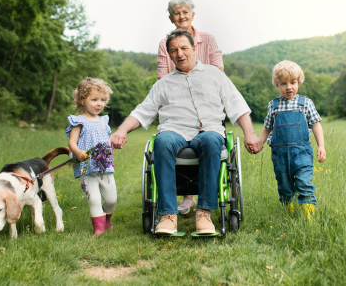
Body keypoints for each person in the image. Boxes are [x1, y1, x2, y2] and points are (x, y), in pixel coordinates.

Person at [111, 29, 263, 235]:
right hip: (174, 131)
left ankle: (204, 213)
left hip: (209, 130)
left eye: (184, 48)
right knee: (162, 141)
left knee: (210, 140)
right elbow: (142, 111)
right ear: (170, 55)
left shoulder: (215, 75)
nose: (180, 53)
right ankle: (168, 216)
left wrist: (250, 134)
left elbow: (237, 105)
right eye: (174, 50)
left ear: (194, 49)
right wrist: (121, 131)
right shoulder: (163, 84)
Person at [157, 0, 225, 214]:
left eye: (185, 12)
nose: (182, 16)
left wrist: (199, 81)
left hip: (206, 100)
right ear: (171, 18)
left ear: (192, 15)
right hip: (177, 102)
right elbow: (163, 78)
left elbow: (219, 71)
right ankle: (187, 196)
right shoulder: (165, 45)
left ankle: (205, 205)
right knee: (169, 138)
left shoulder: (208, 39)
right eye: (177, 13)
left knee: (208, 139)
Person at [258, 60, 326, 220]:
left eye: (293, 82)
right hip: (280, 154)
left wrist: (321, 146)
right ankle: (289, 212)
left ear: (299, 82)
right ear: (277, 84)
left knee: (304, 183)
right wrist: (259, 142)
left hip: (302, 152)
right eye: (283, 83)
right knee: (285, 186)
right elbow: (267, 127)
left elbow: (316, 125)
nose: (289, 87)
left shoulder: (306, 103)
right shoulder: (273, 105)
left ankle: (309, 219)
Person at [66, 77, 117, 236]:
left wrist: (112, 143)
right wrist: (78, 152)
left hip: (104, 166)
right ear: (82, 100)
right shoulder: (78, 121)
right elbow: (72, 142)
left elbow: (105, 138)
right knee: (94, 199)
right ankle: (99, 229)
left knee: (111, 199)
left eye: (102, 100)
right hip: (86, 167)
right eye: (94, 99)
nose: (99, 104)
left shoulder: (103, 121)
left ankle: (107, 219)